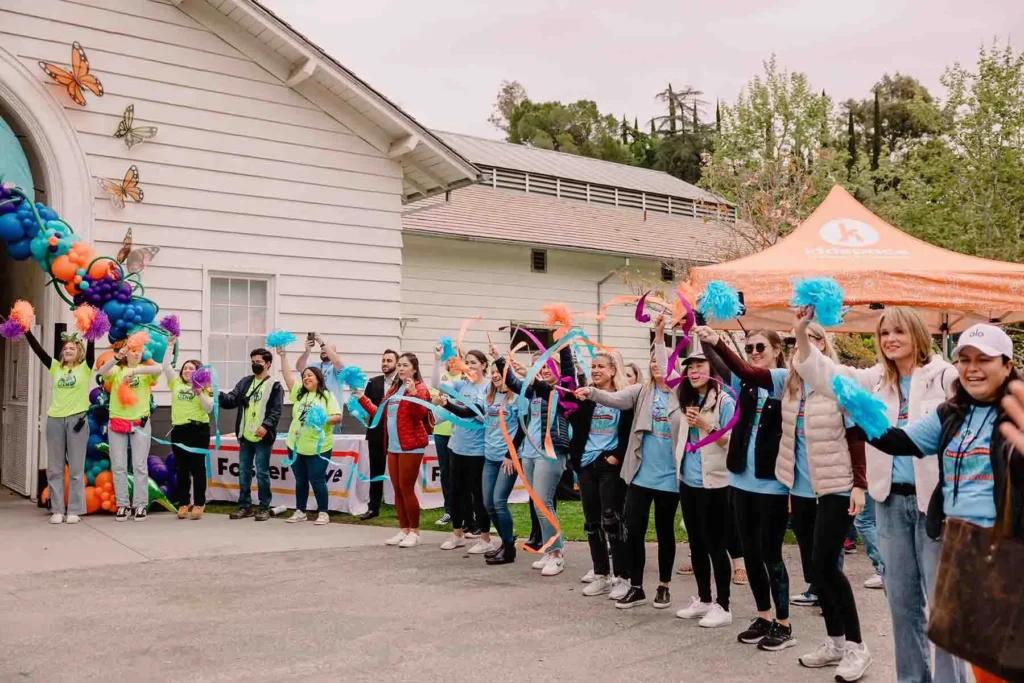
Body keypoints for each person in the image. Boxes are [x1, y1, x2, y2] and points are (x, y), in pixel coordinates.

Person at [835, 324, 1024, 683]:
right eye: (964, 359)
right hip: (956, 542)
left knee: (1004, 652)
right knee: (975, 647)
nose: (972, 368)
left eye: (984, 359)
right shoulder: (951, 414)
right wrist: (861, 411)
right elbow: (897, 441)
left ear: (1007, 364)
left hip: (1004, 546)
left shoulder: (1017, 414)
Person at [794, 306, 963, 683]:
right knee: (902, 604)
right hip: (888, 502)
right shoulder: (874, 379)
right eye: (884, 333)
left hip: (937, 505)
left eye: (899, 331)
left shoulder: (945, 377)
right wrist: (802, 333)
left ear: (918, 334)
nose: (890, 339)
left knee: (943, 608)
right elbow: (827, 374)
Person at [700, 321, 872, 681]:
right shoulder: (787, 383)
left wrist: (859, 483)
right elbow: (746, 371)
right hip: (801, 490)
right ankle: (835, 643)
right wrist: (717, 340)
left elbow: (857, 434)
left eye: (811, 341)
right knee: (814, 571)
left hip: (836, 487)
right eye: (799, 343)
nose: (803, 348)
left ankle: (858, 647)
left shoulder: (840, 382)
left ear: (824, 345)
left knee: (827, 566)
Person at [697, 326, 796, 649]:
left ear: (777, 349)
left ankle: (783, 623)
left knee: (771, 554)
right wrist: (703, 332)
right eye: (749, 347)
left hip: (773, 484)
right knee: (751, 553)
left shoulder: (785, 382)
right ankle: (763, 615)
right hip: (741, 480)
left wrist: (719, 342)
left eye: (760, 347)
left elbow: (735, 364)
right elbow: (722, 363)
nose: (754, 352)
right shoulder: (744, 385)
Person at [577, 314, 681, 609]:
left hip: (669, 478)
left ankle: (664, 585)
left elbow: (664, 362)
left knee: (664, 532)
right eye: (652, 363)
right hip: (640, 475)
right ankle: (636, 586)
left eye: (661, 362)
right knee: (634, 529)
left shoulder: (678, 394)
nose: (656, 366)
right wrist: (592, 392)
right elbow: (615, 399)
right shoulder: (641, 392)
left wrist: (660, 336)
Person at [493, 344, 575, 575]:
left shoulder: (563, 390)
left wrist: (564, 346)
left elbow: (566, 372)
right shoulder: (534, 392)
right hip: (529, 453)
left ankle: (557, 554)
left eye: (550, 365)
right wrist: (500, 360)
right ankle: (549, 550)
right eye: (542, 366)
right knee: (538, 504)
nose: (545, 369)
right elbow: (513, 383)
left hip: (549, 453)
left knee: (544, 503)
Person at [673, 344, 736, 627]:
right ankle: (704, 599)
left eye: (700, 365)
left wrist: (707, 426)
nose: (694, 371)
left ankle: (724, 605)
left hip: (716, 484)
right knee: (696, 544)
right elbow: (664, 370)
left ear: (712, 368)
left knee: (715, 544)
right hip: (689, 481)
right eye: (690, 367)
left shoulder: (724, 401)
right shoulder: (686, 399)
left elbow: (732, 443)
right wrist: (660, 334)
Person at [442, 356, 523, 565]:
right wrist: (446, 404)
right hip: (489, 457)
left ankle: (508, 547)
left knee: (498, 502)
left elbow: (522, 429)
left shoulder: (517, 398)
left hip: (508, 460)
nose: (495, 376)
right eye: (493, 373)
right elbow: (468, 412)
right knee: (488, 503)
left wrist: (509, 455)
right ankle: (505, 542)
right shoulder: (489, 397)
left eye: (499, 372)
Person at [570, 352, 634, 602]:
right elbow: (576, 425)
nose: (595, 370)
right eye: (593, 366)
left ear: (612, 370)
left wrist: (616, 456)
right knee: (592, 522)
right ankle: (601, 575)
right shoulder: (587, 398)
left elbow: (628, 432)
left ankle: (622, 576)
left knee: (612, 520)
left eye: (601, 367)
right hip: (586, 465)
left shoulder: (623, 399)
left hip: (609, 466)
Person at [358, 352, 432, 547]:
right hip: (393, 446)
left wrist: (414, 395)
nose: (400, 368)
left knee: (406, 488)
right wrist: (362, 398)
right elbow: (378, 414)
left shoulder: (420, 388)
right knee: (397, 489)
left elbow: (419, 416)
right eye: (399, 365)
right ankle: (404, 529)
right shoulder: (393, 390)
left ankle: (415, 532)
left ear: (414, 369)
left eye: (404, 365)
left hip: (411, 446)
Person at [25, 330, 94, 524]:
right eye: (65, 348)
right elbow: (39, 351)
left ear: (79, 351)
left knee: (76, 468)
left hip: (77, 420)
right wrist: (27, 332)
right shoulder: (55, 367)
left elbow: (91, 349)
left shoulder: (85, 367)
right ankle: (57, 509)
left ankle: (74, 510)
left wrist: (91, 328)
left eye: (72, 348)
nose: (68, 350)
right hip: (55, 419)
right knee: (55, 468)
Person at [432, 350, 493, 552]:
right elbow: (437, 385)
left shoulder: (488, 388)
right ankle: (457, 534)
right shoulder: (461, 384)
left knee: (478, 495)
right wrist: (437, 361)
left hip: (478, 451)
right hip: (456, 448)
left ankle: (485, 538)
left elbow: (470, 413)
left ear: (484, 365)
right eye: (466, 363)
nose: (469, 366)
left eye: (474, 362)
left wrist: (447, 404)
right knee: (457, 493)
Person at [98, 337, 162, 522]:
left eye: (138, 350)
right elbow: (102, 371)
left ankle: (140, 504)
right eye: (132, 350)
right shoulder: (117, 369)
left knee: (140, 465)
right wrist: (117, 357)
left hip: (139, 424)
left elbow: (159, 369)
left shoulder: (145, 372)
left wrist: (136, 371)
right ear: (127, 352)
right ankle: (123, 505)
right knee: (118, 466)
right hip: (117, 423)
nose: (135, 352)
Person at [278, 350, 343, 525]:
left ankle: (323, 512)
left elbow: (337, 417)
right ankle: (300, 511)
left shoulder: (327, 396)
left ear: (318, 378)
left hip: (319, 447)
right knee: (300, 480)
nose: (306, 378)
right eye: (304, 376)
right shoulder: (299, 393)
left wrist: (323, 419)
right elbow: (288, 377)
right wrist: (283, 356)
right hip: (296, 445)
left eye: (310, 375)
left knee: (317, 478)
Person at [219, 348, 283, 522]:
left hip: (263, 436)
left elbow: (276, 411)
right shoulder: (245, 382)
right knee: (243, 471)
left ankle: (263, 507)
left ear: (268, 364)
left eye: (259, 362)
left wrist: (266, 426)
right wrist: (217, 394)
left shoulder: (275, 385)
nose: (255, 365)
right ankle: (244, 506)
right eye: (253, 362)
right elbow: (231, 400)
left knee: (262, 472)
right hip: (245, 436)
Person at [162, 340, 213, 520]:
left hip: (199, 431)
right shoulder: (175, 383)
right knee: (182, 469)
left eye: (191, 368)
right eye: (185, 368)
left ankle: (199, 503)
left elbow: (208, 409)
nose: (187, 371)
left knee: (198, 469)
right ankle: (184, 503)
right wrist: (170, 345)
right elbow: (166, 365)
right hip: (179, 431)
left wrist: (199, 392)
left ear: (198, 372)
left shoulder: (205, 388)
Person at [361, 349, 398, 521]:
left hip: (397, 434)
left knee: (399, 473)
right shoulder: (373, 382)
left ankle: (401, 508)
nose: (385, 363)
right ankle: (373, 508)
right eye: (383, 360)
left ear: (397, 364)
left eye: (389, 360)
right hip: (376, 434)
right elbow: (365, 403)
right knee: (375, 471)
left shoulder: (403, 383)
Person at [296, 333, 347, 433]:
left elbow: (338, 363)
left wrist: (322, 343)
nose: (323, 349)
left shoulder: (336, 368)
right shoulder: (315, 366)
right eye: (321, 348)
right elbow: (299, 367)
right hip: (312, 419)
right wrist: (307, 351)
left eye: (327, 348)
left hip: (332, 418)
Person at [430, 355, 459, 527]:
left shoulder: (465, 379)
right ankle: (449, 510)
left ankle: (465, 512)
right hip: (441, 431)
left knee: (461, 475)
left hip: (460, 433)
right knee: (445, 473)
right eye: (449, 359)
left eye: (456, 358)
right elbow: (434, 399)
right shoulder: (442, 378)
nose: (452, 362)